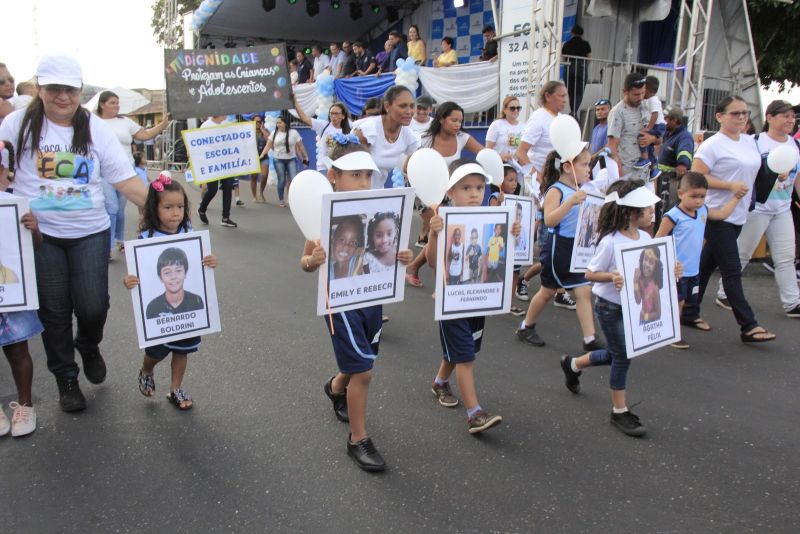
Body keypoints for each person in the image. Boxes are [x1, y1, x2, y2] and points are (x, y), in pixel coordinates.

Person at [0, 55, 149, 412]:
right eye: (54, 89)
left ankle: (89, 343)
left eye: (70, 90)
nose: (63, 97)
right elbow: (2, 176)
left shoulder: (94, 127)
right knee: (54, 311)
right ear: (40, 88)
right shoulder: (15, 125)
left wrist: (166, 214)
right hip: (39, 235)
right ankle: (66, 378)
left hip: (90, 232)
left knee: (92, 305)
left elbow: (125, 180)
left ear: (80, 91)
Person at [299, 140, 412, 472]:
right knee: (363, 369)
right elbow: (305, 262)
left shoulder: (377, 211)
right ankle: (357, 439)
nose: (363, 182)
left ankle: (335, 387)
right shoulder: (322, 214)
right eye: (356, 175)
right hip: (340, 303)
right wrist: (313, 259)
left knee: (361, 357)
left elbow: (384, 254)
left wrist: (402, 257)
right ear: (334, 176)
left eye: (368, 176)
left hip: (371, 298)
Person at [558, 180, 674, 437]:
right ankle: (619, 411)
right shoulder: (610, 242)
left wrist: (671, 269)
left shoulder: (644, 236)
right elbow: (590, 273)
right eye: (646, 209)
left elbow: (650, 266)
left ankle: (573, 364)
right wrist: (611, 276)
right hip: (610, 308)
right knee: (623, 357)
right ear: (631, 212)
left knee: (616, 353)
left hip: (634, 306)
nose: (652, 213)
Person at [426, 159, 520, 433]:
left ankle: (440, 382)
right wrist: (433, 235)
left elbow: (500, 258)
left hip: (478, 298)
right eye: (466, 187)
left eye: (479, 187)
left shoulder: (491, 219)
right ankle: (474, 413)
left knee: (462, 349)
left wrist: (514, 234)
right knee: (466, 356)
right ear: (451, 191)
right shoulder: (441, 217)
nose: (474, 193)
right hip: (451, 302)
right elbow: (432, 262)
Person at [680, 95, 776, 342]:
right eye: (735, 113)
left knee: (705, 267)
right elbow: (696, 177)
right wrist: (728, 186)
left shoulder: (748, 141)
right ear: (719, 116)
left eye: (745, 113)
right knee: (732, 270)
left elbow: (754, 171)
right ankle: (748, 324)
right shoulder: (712, 145)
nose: (742, 117)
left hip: (738, 213)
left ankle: (689, 311)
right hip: (714, 213)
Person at [123, 175, 217, 411]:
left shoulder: (188, 232)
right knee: (156, 351)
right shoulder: (147, 239)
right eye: (168, 207)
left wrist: (209, 260)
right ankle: (147, 369)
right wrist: (130, 281)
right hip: (159, 315)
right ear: (154, 209)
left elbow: (198, 266)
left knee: (182, 350)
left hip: (186, 312)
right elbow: (137, 274)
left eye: (180, 206)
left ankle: (176, 388)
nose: (175, 213)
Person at [714, 100, 800, 318]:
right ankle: (725, 293)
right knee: (742, 253)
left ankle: (792, 302)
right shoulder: (754, 142)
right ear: (770, 118)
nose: (790, 120)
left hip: (782, 208)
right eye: (785, 116)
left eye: (792, 117)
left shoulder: (795, 145)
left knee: (785, 257)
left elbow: (797, 177)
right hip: (757, 208)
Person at [516, 147, 605, 352]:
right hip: (558, 247)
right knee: (547, 291)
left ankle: (590, 337)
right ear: (567, 167)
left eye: (588, 165)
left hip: (578, 248)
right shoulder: (556, 190)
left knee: (583, 290)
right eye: (584, 164)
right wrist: (571, 202)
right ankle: (526, 326)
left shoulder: (580, 190)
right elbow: (549, 219)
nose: (588, 169)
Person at [655, 172, 745, 349]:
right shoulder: (673, 215)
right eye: (694, 196)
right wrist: (667, 262)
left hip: (693, 269)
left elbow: (721, 215)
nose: (698, 201)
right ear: (681, 193)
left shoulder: (702, 211)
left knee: (688, 300)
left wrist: (736, 198)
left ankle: (671, 327)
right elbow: (658, 238)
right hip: (677, 269)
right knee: (678, 301)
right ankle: (672, 334)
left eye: (702, 196)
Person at [404, 102, 483, 287]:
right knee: (439, 231)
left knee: (444, 232)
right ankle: (445, 284)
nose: (457, 124)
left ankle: (414, 267)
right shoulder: (424, 139)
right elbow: (407, 166)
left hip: (449, 191)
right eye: (453, 120)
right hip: (426, 191)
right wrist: (422, 182)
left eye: (460, 121)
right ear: (441, 119)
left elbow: (483, 152)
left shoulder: (462, 137)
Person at [94, 90, 171, 258]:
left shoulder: (125, 121)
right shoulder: (93, 122)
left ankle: (120, 241)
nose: (116, 105)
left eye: (117, 102)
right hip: (104, 171)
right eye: (112, 102)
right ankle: (107, 248)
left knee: (120, 210)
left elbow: (144, 135)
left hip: (126, 170)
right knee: (111, 208)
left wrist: (162, 125)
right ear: (102, 104)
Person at [0, 140, 41, 437]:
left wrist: (33, 229)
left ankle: (25, 405)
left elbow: (34, 248)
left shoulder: (15, 202)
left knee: (17, 349)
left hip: (11, 291)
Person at [353, 85, 420, 189]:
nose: (409, 111)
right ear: (387, 106)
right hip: (353, 194)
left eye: (412, 106)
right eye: (403, 106)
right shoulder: (367, 131)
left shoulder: (409, 136)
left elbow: (417, 161)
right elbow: (347, 169)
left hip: (378, 195)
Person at [516, 80, 568, 180]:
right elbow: (520, 153)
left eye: (565, 96)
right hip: (541, 183)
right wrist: (538, 177)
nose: (565, 100)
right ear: (548, 96)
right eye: (561, 96)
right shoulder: (539, 118)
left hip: (557, 179)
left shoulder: (562, 118)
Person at [291, 93, 351, 172]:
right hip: (324, 168)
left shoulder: (349, 129)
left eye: (336, 114)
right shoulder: (323, 125)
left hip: (340, 169)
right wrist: (295, 102)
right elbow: (304, 118)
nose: (333, 116)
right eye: (331, 113)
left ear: (343, 116)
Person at [197, 115, 237, 228]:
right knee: (212, 190)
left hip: (226, 162)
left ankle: (225, 217)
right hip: (212, 163)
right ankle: (202, 209)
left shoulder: (228, 125)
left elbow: (233, 140)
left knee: (228, 187)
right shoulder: (205, 126)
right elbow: (199, 145)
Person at [607, 73, 650, 176]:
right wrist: (619, 171)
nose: (640, 97)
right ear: (625, 92)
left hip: (645, 173)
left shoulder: (646, 108)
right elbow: (612, 145)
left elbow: (659, 140)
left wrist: (651, 138)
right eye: (636, 94)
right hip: (627, 173)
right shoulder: (618, 112)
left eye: (643, 93)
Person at [261, 114, 308, 208]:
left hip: (291, 159)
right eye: (277, 123)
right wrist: (262, 154)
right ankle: (281, 199)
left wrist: (305, 158)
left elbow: (301, 146)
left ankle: (292, 198)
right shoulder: (274, 133)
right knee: (281, 180)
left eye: (280, 122)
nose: (278, 124)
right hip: (278, 159)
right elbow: (268, 145)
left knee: (294, 179)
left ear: (285, 123)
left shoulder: (294, 132)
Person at [634, 76, 666, 179]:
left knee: (642, 136)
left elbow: (655, 114)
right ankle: (653, 168)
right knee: (650, 146)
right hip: (655, 125)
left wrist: (648, 128)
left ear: (646, 89)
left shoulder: (653, 100)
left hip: (657, 126)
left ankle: (644, 158)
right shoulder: (647, 101)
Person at [561, 25, 592, 115]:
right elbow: (589, 58)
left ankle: (573, 111)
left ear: (572, 33)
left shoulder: (567, 44)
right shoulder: (585, 44)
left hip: (569, 67)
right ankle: (574, 111)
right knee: (579, 91)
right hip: (581, 67)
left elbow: (563, 58)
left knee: (570, 91)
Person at [486, 96, 525, 163]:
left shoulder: (524, 126)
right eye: (512, 108)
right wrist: (500, 157)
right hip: (499, 163)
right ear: (505, 110)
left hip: (517, 165)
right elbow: (488, 149)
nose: (516, 110)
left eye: (518, 108)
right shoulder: (496, 125)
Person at [658, 106, 694, 178]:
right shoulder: (667, 133)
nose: (663, 122)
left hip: (671, 180)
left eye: (665, 119)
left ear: (674, 120)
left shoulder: (684, 136)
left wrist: (682, 165)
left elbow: (685, 151)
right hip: (661, 178)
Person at [328, 215, 364, 279]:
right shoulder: (327, 269)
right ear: (333, 241)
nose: (346, 246)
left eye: (353, 242)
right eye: (342, 240)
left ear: (356, 247)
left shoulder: (359, 264)